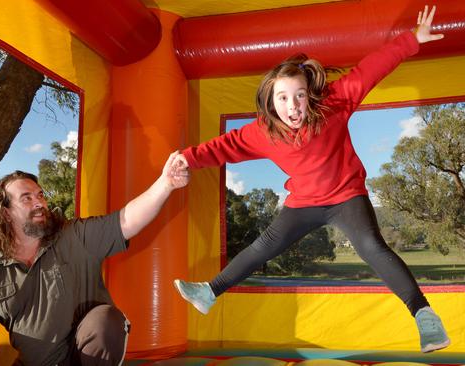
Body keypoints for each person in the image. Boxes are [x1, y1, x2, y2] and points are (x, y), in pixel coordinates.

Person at [172, 5, 449, 353]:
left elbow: (370, 70)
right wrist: (187, 156)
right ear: (271, 103)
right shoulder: (264, 133)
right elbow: (224, 146)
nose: (293, 106)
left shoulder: (334, 104)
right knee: (263, 246)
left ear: (310, 95)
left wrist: (412, 40)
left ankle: (424, 315)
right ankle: (209, 292)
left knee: (371, 247)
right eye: (284, 98)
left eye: (299, 96)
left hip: (346, 196)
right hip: (304, 202)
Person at [0, 152, 189, 366]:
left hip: (82, 358)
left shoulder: (75, 235)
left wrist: (165, 184)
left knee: (106, 321)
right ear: (5, 213)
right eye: (26, 198)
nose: (39, 202)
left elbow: (127, 221)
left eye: (40, 195)